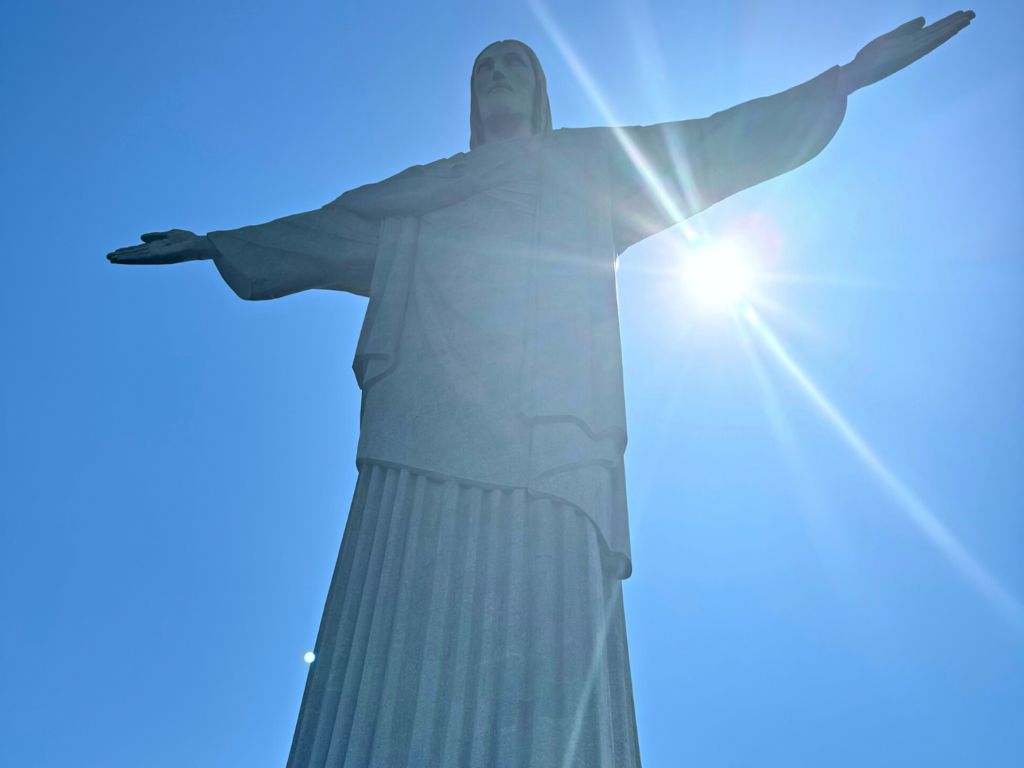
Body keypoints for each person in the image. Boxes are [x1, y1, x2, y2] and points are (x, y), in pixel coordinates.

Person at [107, 13, 975, 768]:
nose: (498, 74)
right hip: (422, 430)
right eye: (484, 65)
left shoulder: (591, 167)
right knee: (397, 611)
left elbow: (710, 145)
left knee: (550, 620)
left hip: (555, 428)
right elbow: (328, 227)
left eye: (515, 61)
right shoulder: (425, 192)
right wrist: (214, 243)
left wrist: (847, 77)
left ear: (543, 90)